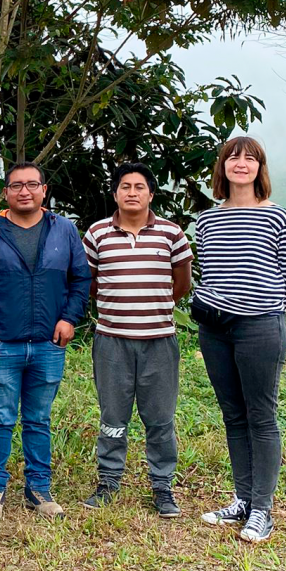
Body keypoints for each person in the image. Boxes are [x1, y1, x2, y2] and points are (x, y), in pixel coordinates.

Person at [0, 162, 90, 520]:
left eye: (32, 184)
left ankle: (38, 489)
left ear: (44, 190)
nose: (25, 191)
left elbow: (80, 279)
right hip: (1, 343)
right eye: (16, 185)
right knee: (1, 416)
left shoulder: (63, 230)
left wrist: (69, 318)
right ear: (6, 193)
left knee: (38, 418)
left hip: (49, 344)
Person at [191, 136, 286, 543]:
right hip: (214, 329)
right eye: (233, 157)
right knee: (233, 414)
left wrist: (258, 308)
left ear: (260, 168)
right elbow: (211, 270)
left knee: (261, 415)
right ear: (223, 167)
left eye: (249, 158)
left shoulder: (278, 218)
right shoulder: (207, 220)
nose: (241, 164)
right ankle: (242, 499)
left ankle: (263, 509)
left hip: (259, 327)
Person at [81, 163, 193, 517]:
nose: (132, 192)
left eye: (139, 187)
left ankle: (162, 487)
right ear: (115, 194)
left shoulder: (171, 233)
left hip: (159, 341)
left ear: (150, 194)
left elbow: (182, 284)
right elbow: (90, 283)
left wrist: (152, 308)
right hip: (111, 341)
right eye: (125, 186)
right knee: (112, 415)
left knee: (160, 418)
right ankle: (109, 480)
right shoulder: (97, 234)